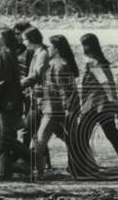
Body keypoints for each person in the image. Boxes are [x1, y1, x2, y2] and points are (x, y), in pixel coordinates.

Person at [32, 34, 86, 178]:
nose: (48, 49)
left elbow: (64, 90)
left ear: (56, 48)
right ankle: (78, 168)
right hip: (57, 108)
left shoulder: (59, 65)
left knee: (40, 139)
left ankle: (38, 171)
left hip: (55, 110)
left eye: (50, 46)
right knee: (72, 139)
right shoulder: (57, 63)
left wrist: (68, 109)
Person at [79, 32, 118, 166]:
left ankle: (82, 163)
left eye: (82, 45)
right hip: (99, 104)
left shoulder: (94, 64)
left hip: (95, 105)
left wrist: (114, 101)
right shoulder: (97, 62)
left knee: (81, 133)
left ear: (87, 47)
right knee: (111, 133)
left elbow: (106, 83)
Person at [0, 28, 32, 181]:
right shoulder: (10, 54)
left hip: (7, 102)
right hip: (10, 100)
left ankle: (32, 156)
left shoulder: (6, 55)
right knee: (3, 138)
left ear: (4, 39)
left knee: (4, 139)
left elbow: (4, 82)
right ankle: (3, 173)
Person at [20, 27, 50, 162]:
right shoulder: (37, 52)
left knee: (29, 129)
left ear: (32, 39)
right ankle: (38, 161)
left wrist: (20, 84)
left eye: (25, 39)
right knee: (34, 131)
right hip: (37, 98)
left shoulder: (42, 53)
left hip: (42, 99)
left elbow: (37, 75)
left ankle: (28, 162)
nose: (24, 42)